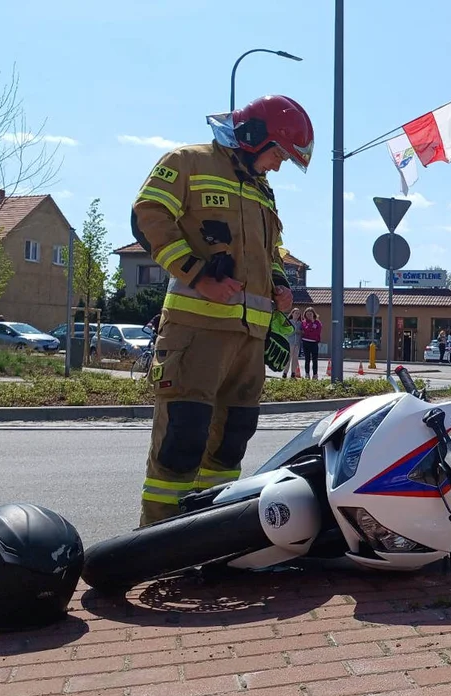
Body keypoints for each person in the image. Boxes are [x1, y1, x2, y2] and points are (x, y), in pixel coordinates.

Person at [129, 94, 314, 526]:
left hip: (249, 340)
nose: (278, 166)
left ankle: (209, 532)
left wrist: (282, 286)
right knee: (182, 439)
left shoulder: (261, 188)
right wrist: (197, 273)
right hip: (196, 332)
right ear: (253, 138)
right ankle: (156, 540)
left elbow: (270, 253)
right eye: (278, 155)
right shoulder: (189, 161)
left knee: (232, 440)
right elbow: (149, 214)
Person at [281, 307, 303, 378]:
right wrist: (294, 331)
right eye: (296, 313)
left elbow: (302, 332)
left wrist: (300, 332)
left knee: (295, 358)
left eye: (298, 313)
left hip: (297, 343)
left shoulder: (300, 323)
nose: (297, 315)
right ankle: (285, 372)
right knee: (288, 358)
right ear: (292, 313)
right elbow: (285, 331)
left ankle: (293, 373)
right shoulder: (288, 322)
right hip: (290, 342)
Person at [301, 308, 322, 379]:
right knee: (307, 359)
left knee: (314, 359)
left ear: (313, 314)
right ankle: (307, 374)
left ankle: (315, 374)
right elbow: (305, 331)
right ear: (305, 315)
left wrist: (312, 324)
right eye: (307, 314)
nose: (309, 315)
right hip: (305, 342)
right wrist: (311, 328)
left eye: (310, 314)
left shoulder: (317, 323)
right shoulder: (303, 322)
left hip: (314, 343)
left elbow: (317, 332)